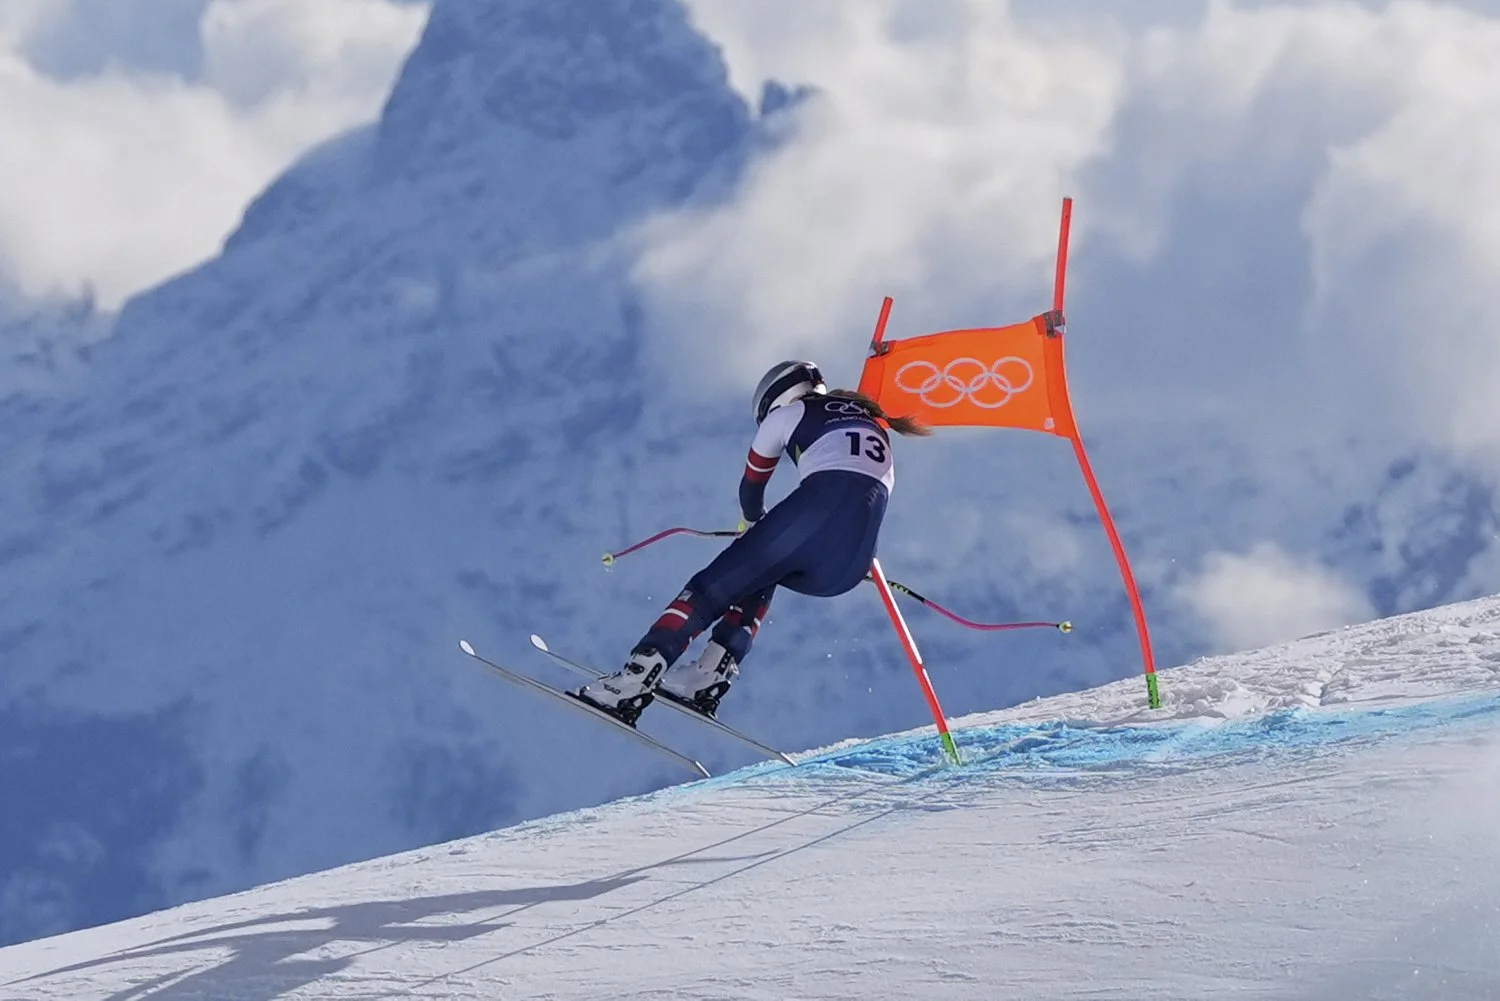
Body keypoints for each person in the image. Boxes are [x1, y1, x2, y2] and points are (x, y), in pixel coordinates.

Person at [575, 359, 931, 725]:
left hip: (812, 521)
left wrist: (752, 526)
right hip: (850, 568)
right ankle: (709, 675)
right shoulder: (873, 423)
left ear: (777, 396)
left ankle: (633, 682)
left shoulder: (790, 413)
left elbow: (752, 486)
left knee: (708, 589)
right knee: (761, 571)